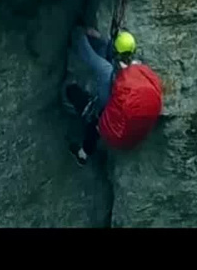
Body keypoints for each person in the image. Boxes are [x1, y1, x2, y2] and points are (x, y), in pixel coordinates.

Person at [62, 24, 162, 165]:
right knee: (104, 57)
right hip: (132, 129)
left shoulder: (108, 72)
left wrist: (79, 32)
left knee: (74, 93)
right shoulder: (139, 68)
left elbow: (87, 54)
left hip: (112, 127)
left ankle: (83, 154)